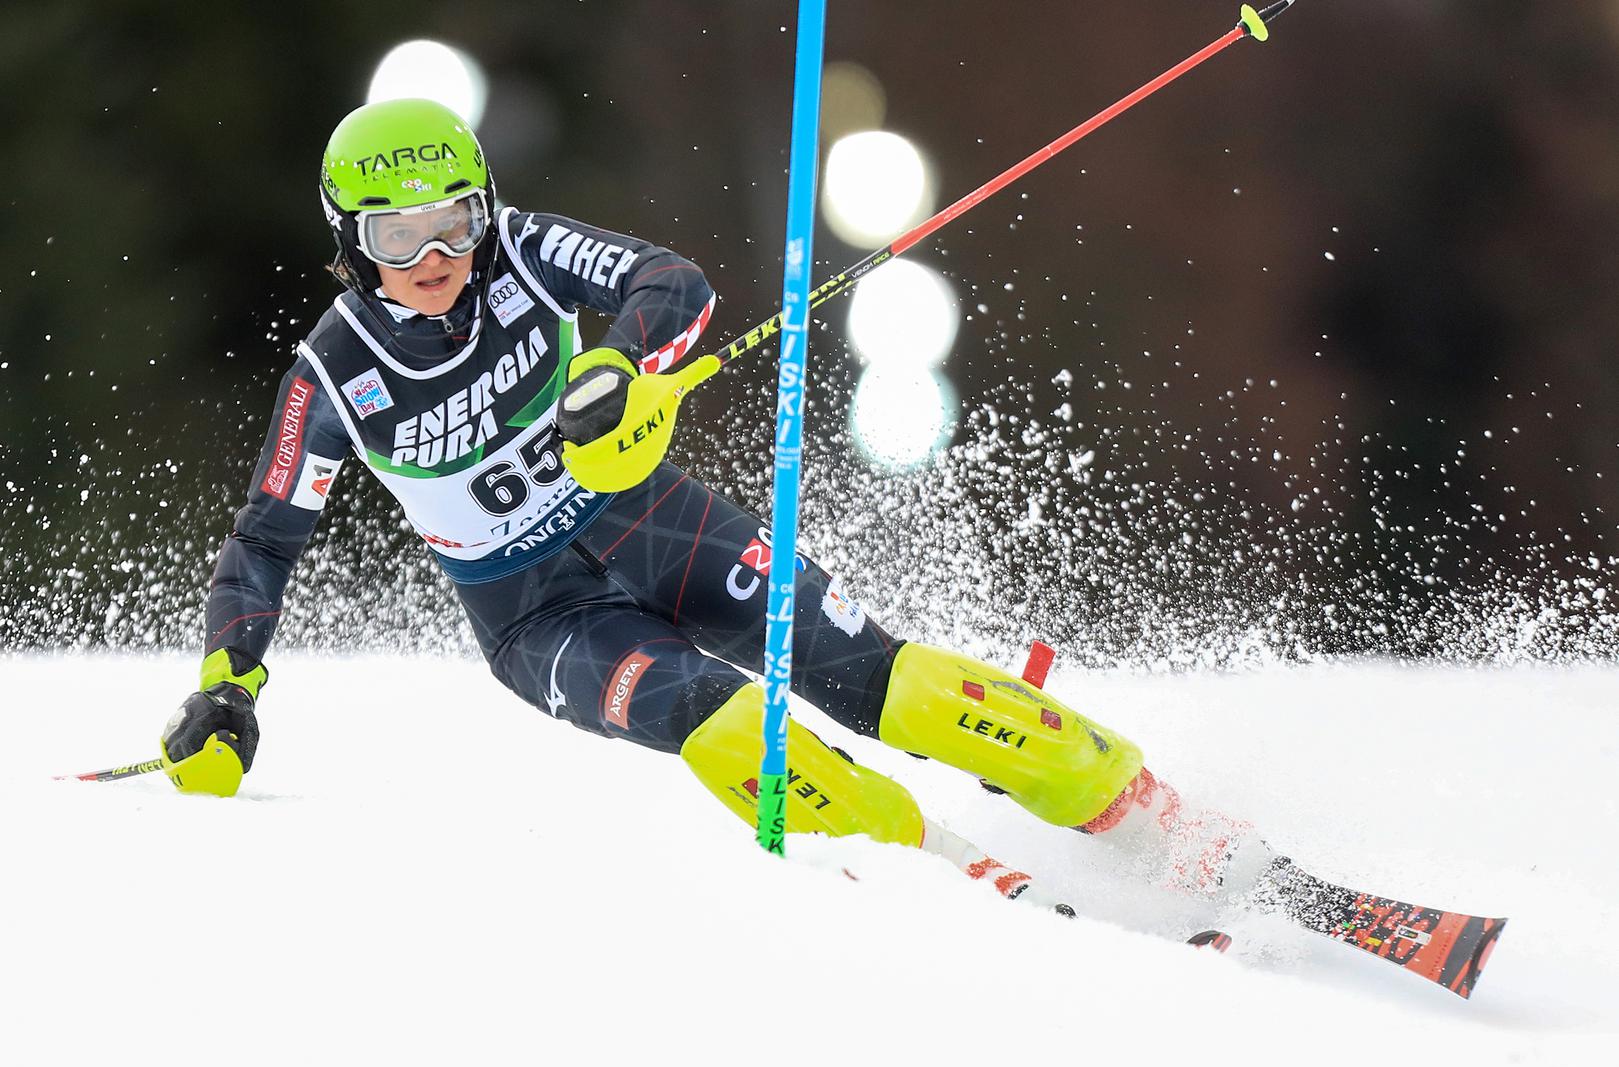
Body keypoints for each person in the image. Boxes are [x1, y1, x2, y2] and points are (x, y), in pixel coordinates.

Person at [159, 98, 1240, 904]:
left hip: (652, 523)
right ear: (350, 241)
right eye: (399, 238)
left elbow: (672, 284)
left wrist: (617, 365)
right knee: (726, 725)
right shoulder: (331, 373)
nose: (437, 255)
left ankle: (1132, 806)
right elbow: (265, 541)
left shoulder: (523, 255)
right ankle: (931, 878)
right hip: (539, 619)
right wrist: (229, 687)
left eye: (452, 219)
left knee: (868, 673)